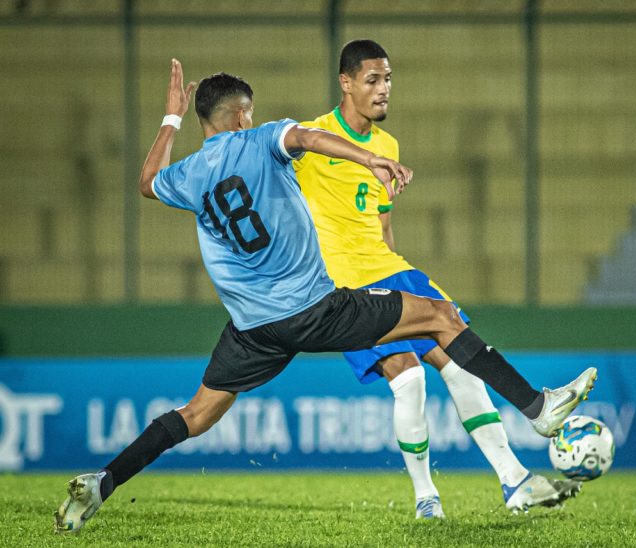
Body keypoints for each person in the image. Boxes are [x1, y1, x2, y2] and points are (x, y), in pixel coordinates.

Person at [54, 59, 596, 534]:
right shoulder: (259, 137)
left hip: (252, 329)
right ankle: (537, 409)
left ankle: (103, 482)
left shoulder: (190, 174)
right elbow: (309, 139)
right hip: (315, 310)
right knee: (440, 316)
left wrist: (169, 118)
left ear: (201, 120)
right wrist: (369, 159)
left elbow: (147, 181)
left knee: (196, 414)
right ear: (242, 113)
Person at [294, 39, 589, 519]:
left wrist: (398, 271)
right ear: (345, 83)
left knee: (459, 362)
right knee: (409, 381)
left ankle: (514, 479)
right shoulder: (310, 137)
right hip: (343, 286)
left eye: (388, 79)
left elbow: (383, 224)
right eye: (372, 80)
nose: (384, 89)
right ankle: (427, 496)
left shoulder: (387, 145)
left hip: (389, 268)